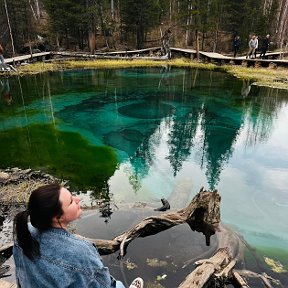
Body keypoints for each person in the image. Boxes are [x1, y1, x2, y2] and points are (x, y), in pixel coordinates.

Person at [13, 184, 144, 288]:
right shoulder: (80, 252)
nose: (78, 199)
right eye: (71, 201)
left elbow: (21, 276)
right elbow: (104, 285)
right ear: (57, 217)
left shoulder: (24, 231)